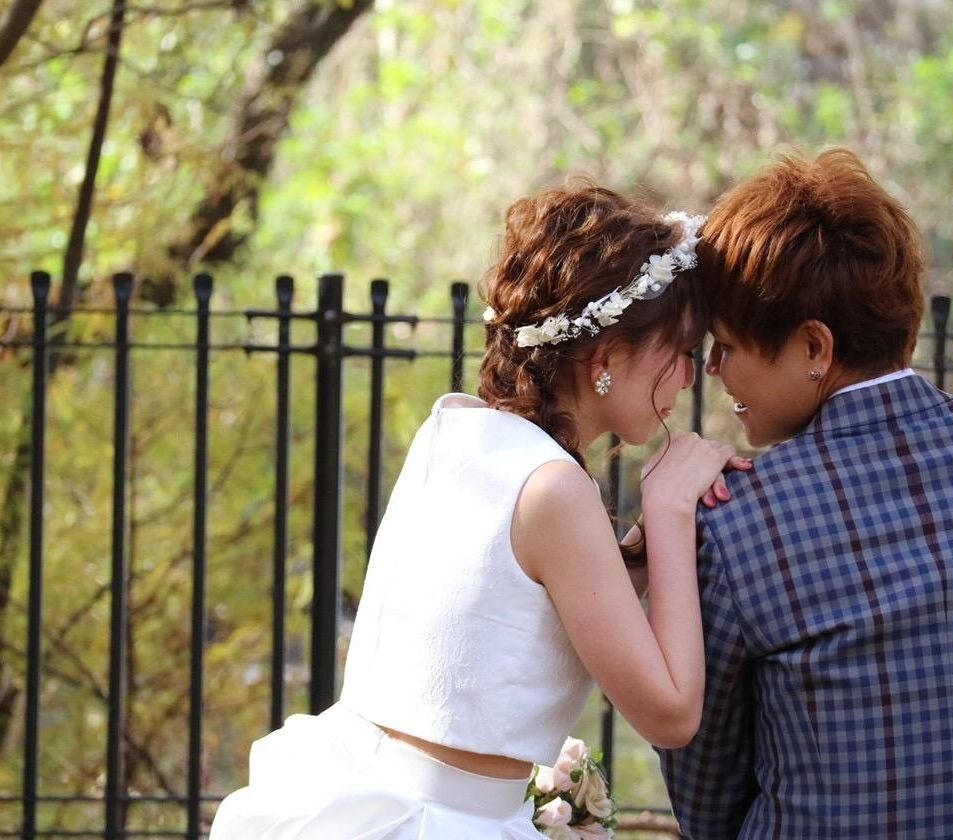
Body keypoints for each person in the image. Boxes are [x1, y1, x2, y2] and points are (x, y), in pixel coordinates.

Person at [210, 180, 748, 839]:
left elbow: (541, 609)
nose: (690, 378)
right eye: (683, 353)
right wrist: (668, 512)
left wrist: (645, 536)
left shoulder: (456, 429)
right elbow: (672, 714)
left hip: (363, 800)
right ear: (606, 357)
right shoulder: (553, 489)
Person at [657, 149, 953, 839]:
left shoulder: (739, 520)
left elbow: (707, 801)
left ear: (815, 348)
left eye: (726, 345)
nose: (714, 369)